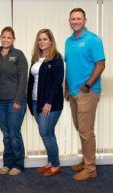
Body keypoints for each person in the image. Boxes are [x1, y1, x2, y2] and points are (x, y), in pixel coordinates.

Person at [65, 8, 105, 181]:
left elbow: (101, 64)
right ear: (70, 21)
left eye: (78, 18)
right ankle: (86, 159)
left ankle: (90, 169)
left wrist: (87, 85)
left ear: (85, 20)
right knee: (80, 128)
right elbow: (71, 66)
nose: (75, 21)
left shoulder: (93, 40)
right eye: (72, 19)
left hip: (87, 92)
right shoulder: (68, 41)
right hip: (73, 92)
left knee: (86, 131)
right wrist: (66, 87)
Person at [27, 29, 64, 176]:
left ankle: (56, 165)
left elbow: (57, 82)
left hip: (50, 104)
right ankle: (50, 162)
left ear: (51, 41)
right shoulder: (35, 58)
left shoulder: (56, 58)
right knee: (49, 133)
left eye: (45, 39)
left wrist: (48, 102)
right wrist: (30, 101)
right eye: (40, 39)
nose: (42, 42)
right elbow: (32, 81)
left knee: (45, 133)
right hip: (36, 102)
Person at [0, 26, 28, 176]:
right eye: (3, 37)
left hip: (15, 101)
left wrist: (18, 100)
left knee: (14, 133)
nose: (6, 39)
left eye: (9, 37)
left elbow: (23, 79)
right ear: (0, 37)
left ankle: (18, 164)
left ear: (13, 39)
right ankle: (7, 163)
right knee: (6, 134)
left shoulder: (19, 55)